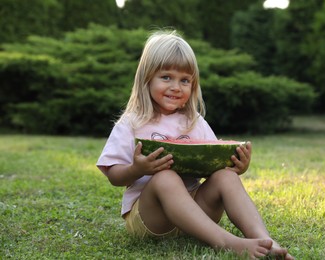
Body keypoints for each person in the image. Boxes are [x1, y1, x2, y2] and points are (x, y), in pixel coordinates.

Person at [97, 30, 293, 260]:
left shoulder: (194, 122)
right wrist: (137, 169)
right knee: (165, 178)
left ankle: (264, 240)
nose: (176, 87)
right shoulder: (131, 123)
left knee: (226, 177)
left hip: (197, 212)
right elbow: (114, 176)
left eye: (185, 80)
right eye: (166, 77)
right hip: (152, 219)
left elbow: (215, 165)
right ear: (146, 78)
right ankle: (225, 242)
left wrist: (236, 166)